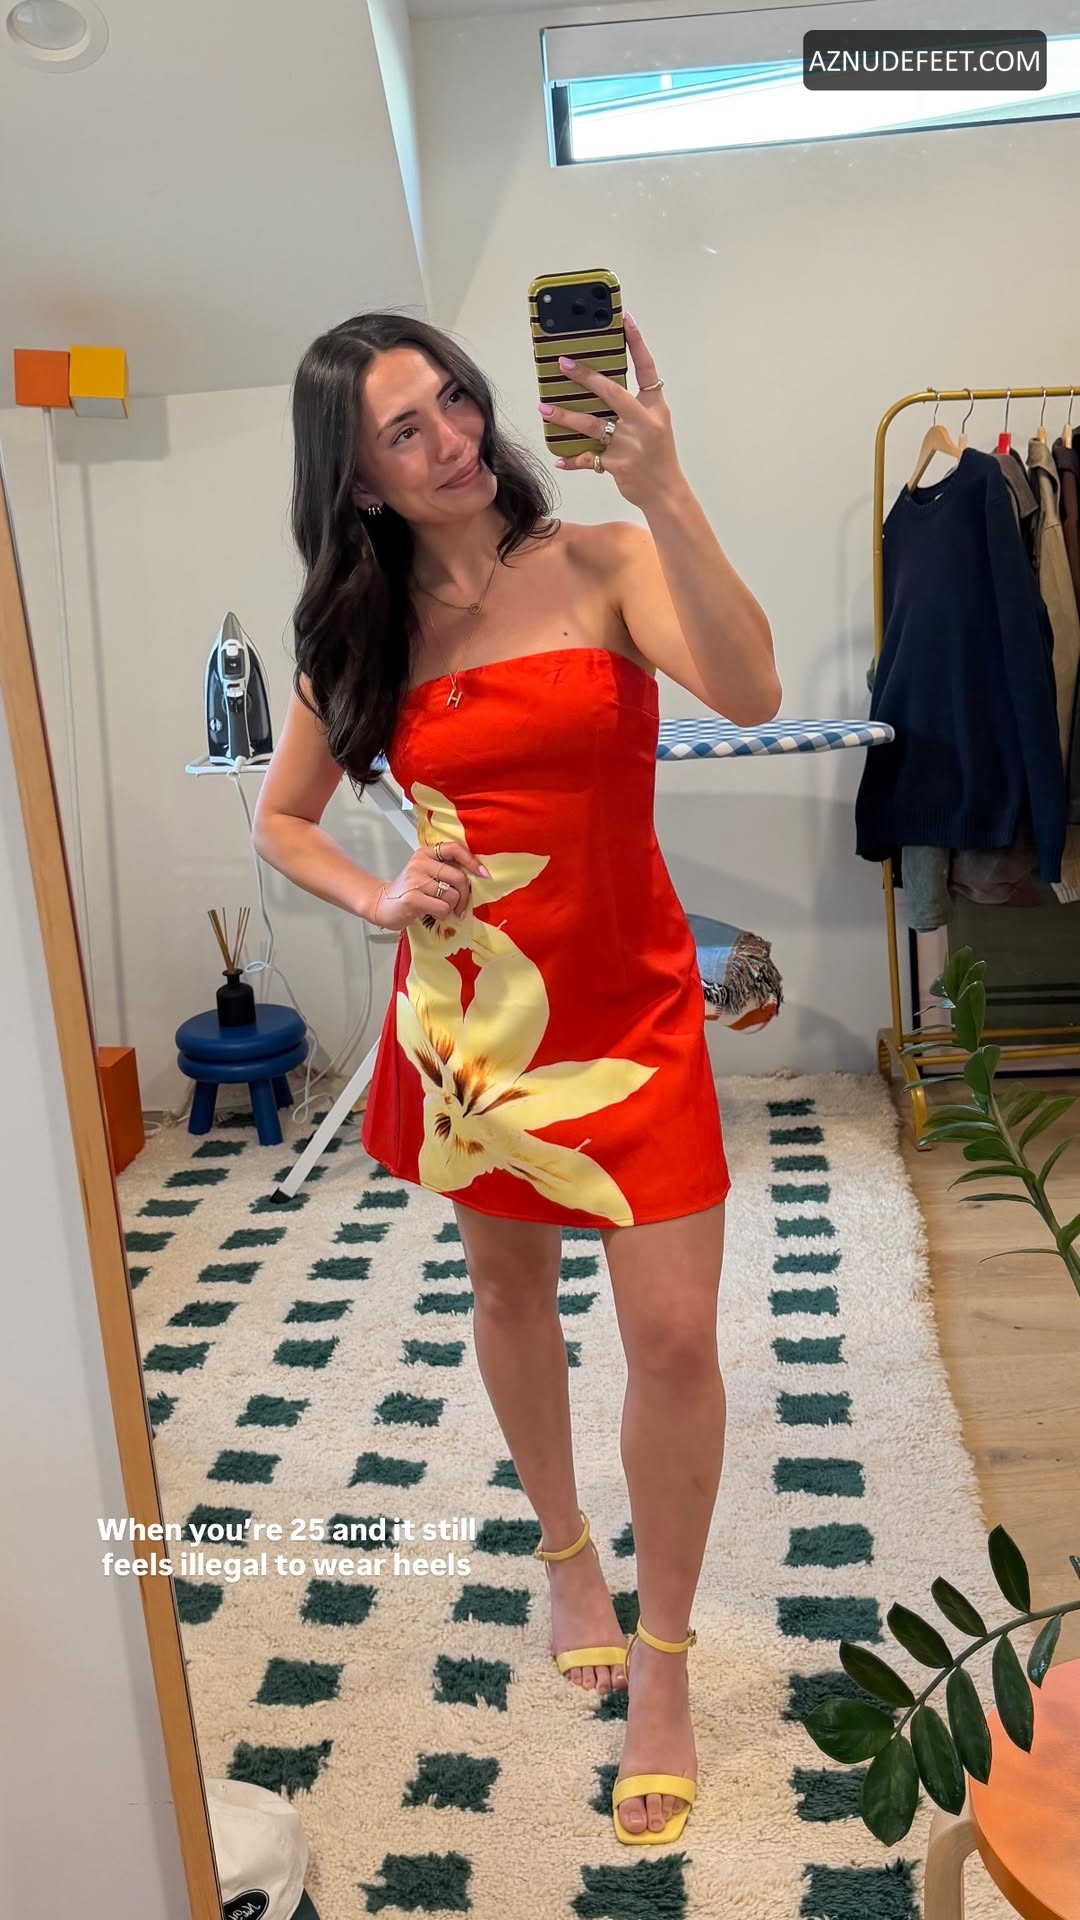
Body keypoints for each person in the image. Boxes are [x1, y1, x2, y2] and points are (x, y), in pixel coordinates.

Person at [252, 307, 779, 1845]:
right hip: (478, 1023)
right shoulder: (358, 637)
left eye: (457, 402)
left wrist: (666, 488)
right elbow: (281, 820)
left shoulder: (606, 561)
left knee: (673, 1340)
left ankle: (665, 1664)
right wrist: (376, 896)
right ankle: (566, 1558)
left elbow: (750, 691)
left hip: (635, 1008)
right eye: (406, 430)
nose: (456, 439)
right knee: (510, 1296)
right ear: (356, 479)